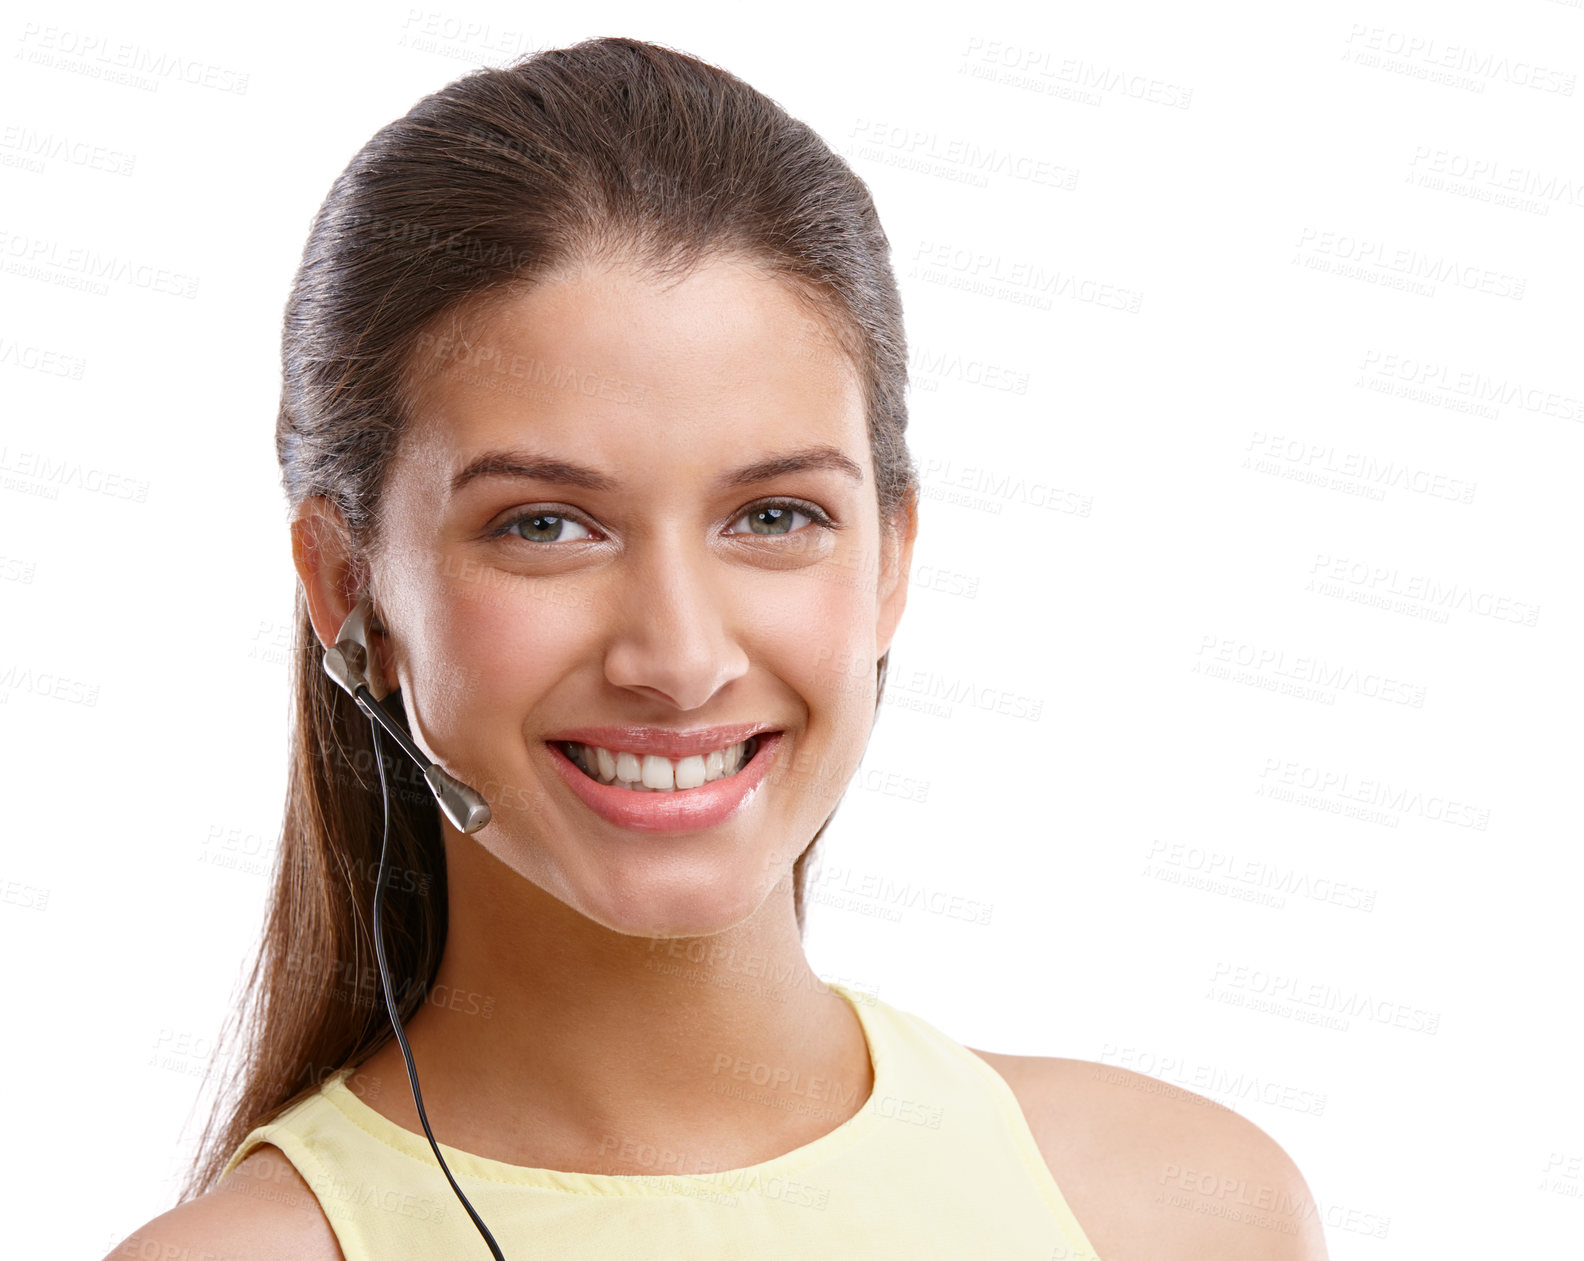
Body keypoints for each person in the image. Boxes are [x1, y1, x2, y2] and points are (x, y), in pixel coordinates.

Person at [105, 35, 1326, 1261]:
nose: (679, 658)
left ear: (891, 557)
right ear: (345, 582)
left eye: (775, 516)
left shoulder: (1181, 1208)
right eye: (546, 525)